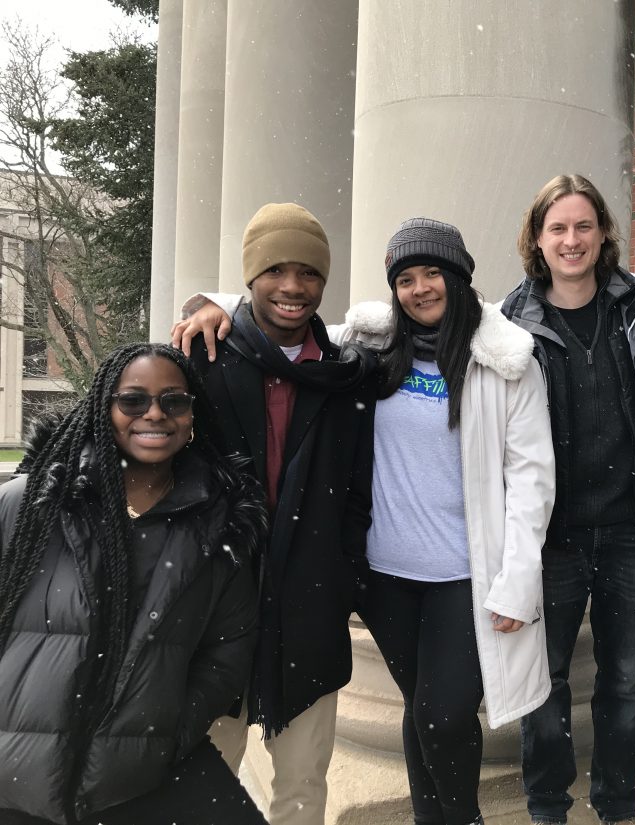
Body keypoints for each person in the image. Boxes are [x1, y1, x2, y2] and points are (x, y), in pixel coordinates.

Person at [176, 217, 556, 825]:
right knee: (420, 706)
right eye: (406, 278)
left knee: (445, 713)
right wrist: (213, 303)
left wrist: (517, 577)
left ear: (460, 279)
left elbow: (533, 480)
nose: (421, 288)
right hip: (386, 576)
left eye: (434, 273)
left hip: (465, 572)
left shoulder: (504, 361)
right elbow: (283, 317)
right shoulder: (369, 352)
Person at [0, 343, 267, 825]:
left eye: (173, 401)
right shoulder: (28, 506)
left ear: (192, 415)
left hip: (142, 773)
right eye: (132, 401)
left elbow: (229, 648)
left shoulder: (219, 523)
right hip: (16, 776)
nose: (154, 414)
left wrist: (168, 731)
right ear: (105, 408)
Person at [176, 202, 376, 825]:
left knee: (300, 791)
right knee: (200, 788)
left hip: (309, 616)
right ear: (250, 277)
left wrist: (342, 577)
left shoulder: (345, 378)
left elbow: (357, 496)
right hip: (214, 618)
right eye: (276, 271)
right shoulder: (200, 362)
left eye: (308, 273)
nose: (292, 287)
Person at [501, 174, 635, 825]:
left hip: (630, 533)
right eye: (558, 227)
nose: (572, 239)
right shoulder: (509, 324)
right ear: (538, 239)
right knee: (546, 688)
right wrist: (219, 302)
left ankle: (617, 803)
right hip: (552, 540)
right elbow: (386, 322)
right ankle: (547, 807)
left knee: (623, 684)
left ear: (602, 233)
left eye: (583, 225)